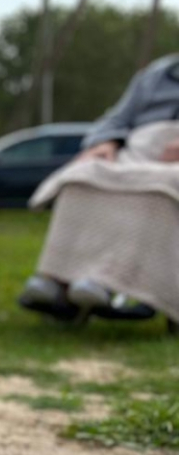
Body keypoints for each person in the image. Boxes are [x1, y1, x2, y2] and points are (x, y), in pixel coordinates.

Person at [20, 54, 179, 323]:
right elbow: (116, 119)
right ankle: (57, 278)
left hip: (170, 165)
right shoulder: (156, 74)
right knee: (81, 176)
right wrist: (105, 141)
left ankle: (115, 282)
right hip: (136, 152)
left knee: (159, 189)